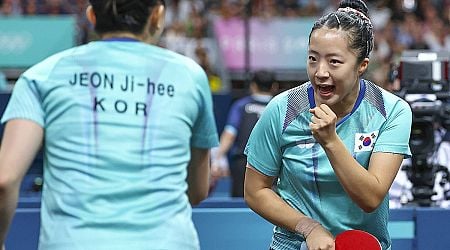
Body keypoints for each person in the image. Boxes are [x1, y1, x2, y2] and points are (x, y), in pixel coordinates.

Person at [0, 0, 219, 249]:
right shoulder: (190, 76)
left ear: (91, 16)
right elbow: (197, 190)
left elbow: (4, 180)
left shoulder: (41, 76)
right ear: (157, 17)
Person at [243, 1, 412, 249]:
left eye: (334, 62)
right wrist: (308, 227)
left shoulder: (392, 112)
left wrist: (331, 142)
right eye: (313, 59)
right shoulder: (282, 109)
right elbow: (255, 191)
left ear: (361, 66)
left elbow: (371, 197)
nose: (320, 72)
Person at [211, 70, 277, 197]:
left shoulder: (241, 106)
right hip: (274, 165)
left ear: (253, 86)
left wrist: (217, 158)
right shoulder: (280, 106)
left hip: (245, 165)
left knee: (241, 206)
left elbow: (230, 134)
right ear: (274, 86)